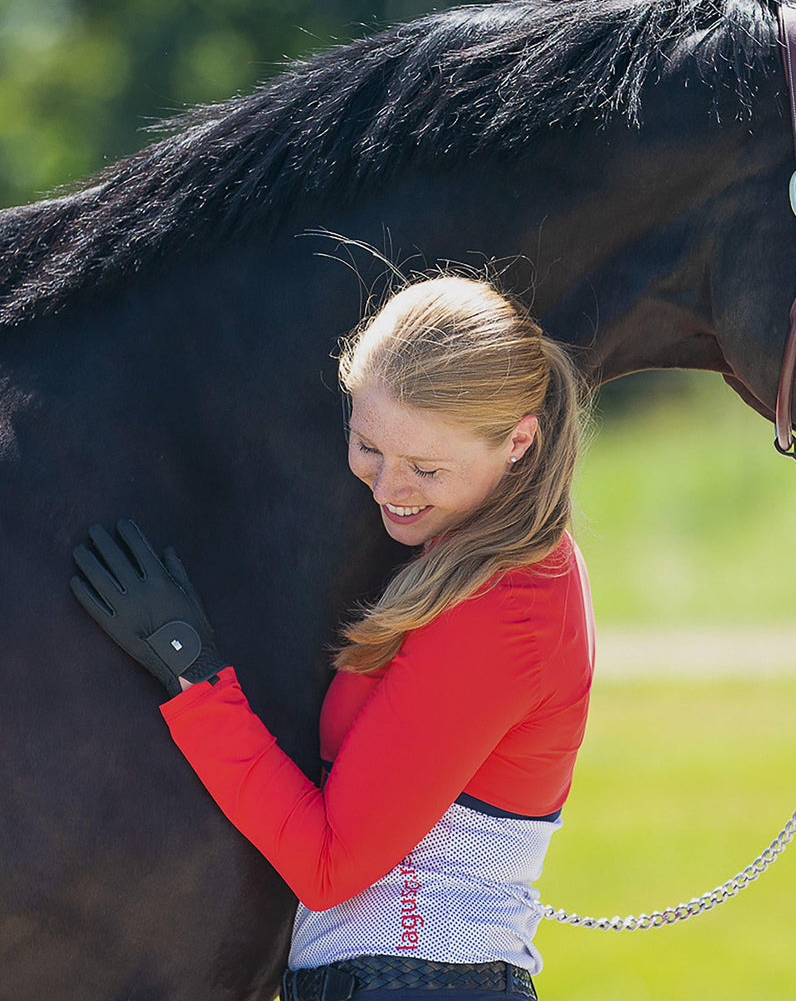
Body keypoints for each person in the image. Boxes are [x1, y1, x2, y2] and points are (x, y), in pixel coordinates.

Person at [70, 274, 595, 1001]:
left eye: (425, 468)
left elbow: (329, 866)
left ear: (519, 442)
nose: (388, 488)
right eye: (368, 446)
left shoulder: (502, 609)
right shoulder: (482, 558)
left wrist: (188, 665)